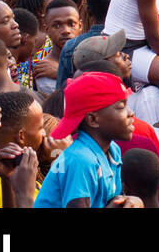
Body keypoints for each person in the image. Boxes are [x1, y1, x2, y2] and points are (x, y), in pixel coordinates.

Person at [35, 71, 139, 208]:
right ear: (93, 119)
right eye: (121, 107)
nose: (131, 113)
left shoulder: (113, 150)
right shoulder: (80, 160)